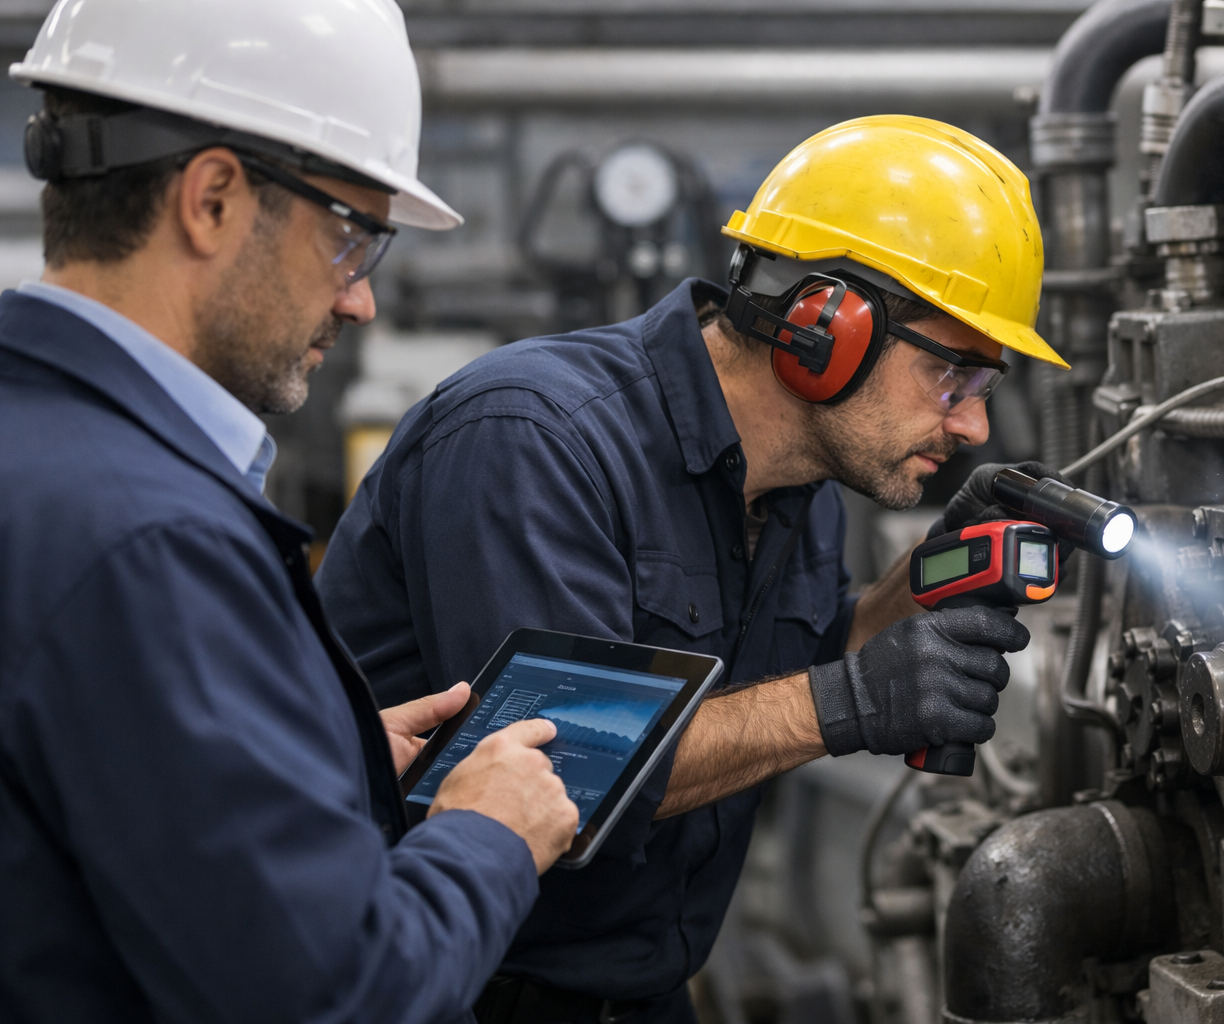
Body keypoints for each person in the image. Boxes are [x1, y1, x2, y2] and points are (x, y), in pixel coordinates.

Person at [318, 115, 1062, 1024]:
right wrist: (854, 702)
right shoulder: (531, 436)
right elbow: (569, 769)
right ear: (829, 329)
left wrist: (913, 588)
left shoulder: (802, 488)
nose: (972, 427)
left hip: (643, 997)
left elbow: (786, 682)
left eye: (985, 393)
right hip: (452, 994)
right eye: (956, 380)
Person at [0, 3, 580, 1022]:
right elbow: (339, 991)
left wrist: (327, 754)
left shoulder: (43, 445)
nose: (359, 300)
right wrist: (486, 835)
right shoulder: (152, 538)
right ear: (214, 199)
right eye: (352, 234)